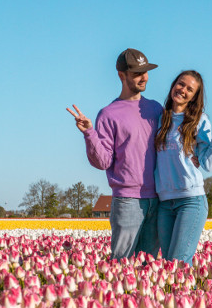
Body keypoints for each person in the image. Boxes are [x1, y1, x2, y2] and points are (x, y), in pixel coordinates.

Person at [66, 48, 163, 261]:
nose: (144, 77)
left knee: (150, 268)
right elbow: (103, 162)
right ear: (121, 75)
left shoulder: (157, 109)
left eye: (145, 72)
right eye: (137, 73)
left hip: (158, 199)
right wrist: (89, 133)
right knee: (122, 265)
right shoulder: (109, 114)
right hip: (127, 201)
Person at [154, 70, 212, 265]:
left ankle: (190, 296)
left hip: (190, 201)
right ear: (173, 85)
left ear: (194, 97)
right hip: (164, 203)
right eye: (181, 84)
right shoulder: (161, 119)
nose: (183, 90)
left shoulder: (199, 120)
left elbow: (208, 164)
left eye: (189, 89)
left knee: (179, 264)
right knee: (168, 266)